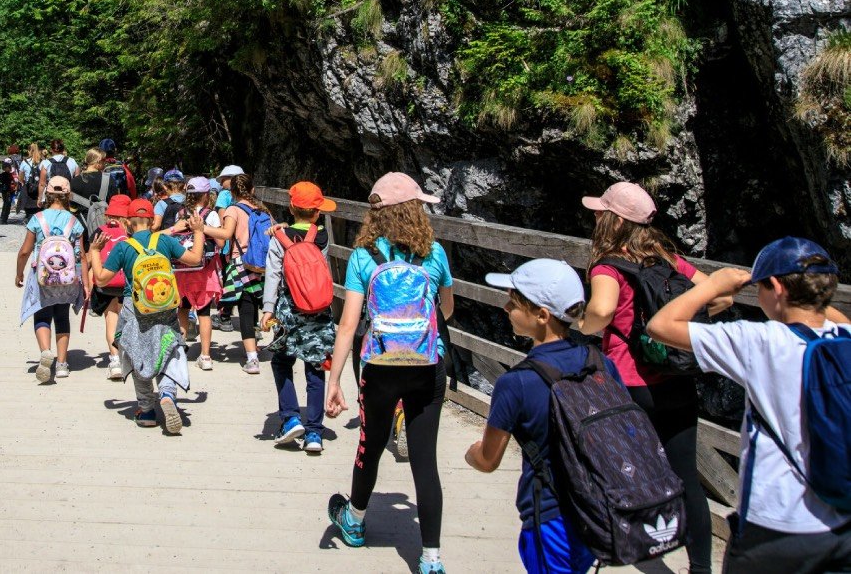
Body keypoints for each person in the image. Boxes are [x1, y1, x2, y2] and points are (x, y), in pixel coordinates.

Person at [646, 238, 851, 574]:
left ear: (776, 287)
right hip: (841, 525)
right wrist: (810, 291)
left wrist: (713, 285)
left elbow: (660, 326)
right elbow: (829, 315)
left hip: (776, 524)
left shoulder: (760, 341)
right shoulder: (844, 337)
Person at [574, 181, 718, 574]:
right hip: (676, 378)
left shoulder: (608, 265)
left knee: (615, 468)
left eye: (602, 211)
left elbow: (602, 311)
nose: (597, 216)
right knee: (686, 475)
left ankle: (621, 546)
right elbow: (717, 295)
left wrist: (583, 324)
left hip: (628, 382)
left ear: (615, 220)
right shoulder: (667, 259)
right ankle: (701, 568)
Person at [324, 172, 453, 574]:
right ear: (416, 210)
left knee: (371, 443)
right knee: (425, 460)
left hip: (378, 366)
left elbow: (348, 324)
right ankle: (431, 558)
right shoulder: (434, 254)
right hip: (428, 363)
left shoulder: (364, 256)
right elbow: (446, 311)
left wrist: (334, 379)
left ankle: (356, 522)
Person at [466, 259, 615, 574]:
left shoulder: (515, 383)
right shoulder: (601, 363)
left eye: (514, 302)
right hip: (597, 510)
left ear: (542, 316)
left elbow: (488, 460)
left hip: (550, 517)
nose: (506, 307)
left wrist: (471, 454)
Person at [89, 198, 205, 434]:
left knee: (137, 354)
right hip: (165, 305)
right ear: (152, 221)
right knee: (168, 349)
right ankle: (168, 395)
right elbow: (195, 259)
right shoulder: (165, 241)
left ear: (127, 223)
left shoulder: (124, 247)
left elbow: (100, 279)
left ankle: (147, 410)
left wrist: (94, 251)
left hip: (135, 308)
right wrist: (199, 231)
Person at [260, 181, 336, 454]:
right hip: (318, 309)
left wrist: (268, 308)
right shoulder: (322, 236)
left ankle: (290, 417)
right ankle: (314, 433)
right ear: (317, 213)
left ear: (291, 207)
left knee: (282, 361)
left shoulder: (279, 238)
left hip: (288, 309)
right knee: (316, 366)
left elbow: (273, 275)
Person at [14, 175, 86, 383]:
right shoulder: (74, 221)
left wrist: (19, 273)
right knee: (62, 316)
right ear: (67, 195)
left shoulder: (38, 219)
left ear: (48, 193)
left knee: (43, 315)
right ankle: (62, 364)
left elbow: (25, 251)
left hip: (42, 276)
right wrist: (84, 282)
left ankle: (46, 351)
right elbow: (81, 255)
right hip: (67, 278)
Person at [214, 173, 270, 374]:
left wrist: (203, 228)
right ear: (252, 189)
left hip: (241, 264)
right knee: (256, 306)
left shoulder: (233, 210)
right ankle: (256, 345)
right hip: (262, 265)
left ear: (232, 193)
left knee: (245, 309)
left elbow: (227, 235)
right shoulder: (264, 210)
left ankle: (252, 358)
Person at [168, 176, 225, 371]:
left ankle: (181, 351)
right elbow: (221, 243)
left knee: (182, 310)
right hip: (205, 272)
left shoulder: (181, 214)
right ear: (208, 195)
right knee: (204, 313)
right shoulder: (212, 215)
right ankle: (206, 355)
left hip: (183, 270)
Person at [85, 194, 133, 380]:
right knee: (127, 321)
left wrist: (87, 281)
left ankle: (115, 362)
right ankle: (128, 357)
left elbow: (90, 259)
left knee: (111, 319)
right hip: (127, 283)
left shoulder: (99, 231)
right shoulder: (130, 233)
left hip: (105, 283)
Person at [19, 143, 44, 224]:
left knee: (29, 212)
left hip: (28, 190)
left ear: (29, 151)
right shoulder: (43, 162)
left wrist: (24, 183)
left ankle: (31, 228)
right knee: (40, 212)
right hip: (40, 190)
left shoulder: (24, 162)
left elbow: (20, 178)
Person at [0, 159, 16, 224]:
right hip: (7, 191)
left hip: (5, 191)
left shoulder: (4, 175)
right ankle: (4, 218)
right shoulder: (7, 175)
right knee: (7, 204)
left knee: (6, 204)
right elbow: (12, 182)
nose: (10, 169)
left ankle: (3, 218)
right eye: (9, 168)